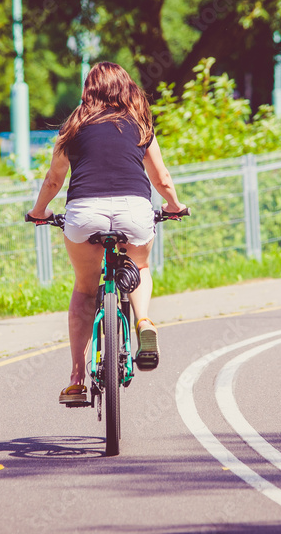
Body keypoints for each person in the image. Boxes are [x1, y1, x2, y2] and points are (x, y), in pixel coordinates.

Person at [27, 61, 186, 405]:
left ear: (89, 91)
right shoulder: (139, 124)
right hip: (134, 212)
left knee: (85, 290)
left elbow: (54, 180)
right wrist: (173, 205)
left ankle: (76, 378)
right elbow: (161, 179)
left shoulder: (74, 126)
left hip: (84, 215)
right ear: (126, 88)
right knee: (140, 267)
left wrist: (39, 212)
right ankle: (143, 321)